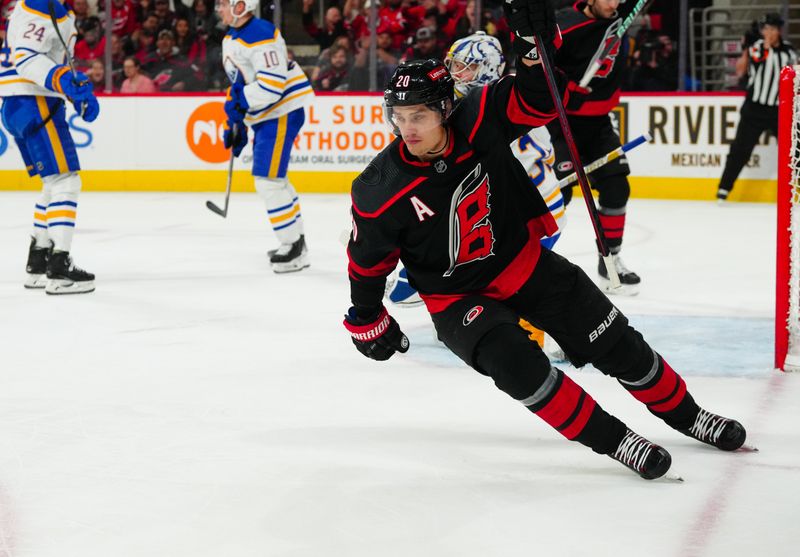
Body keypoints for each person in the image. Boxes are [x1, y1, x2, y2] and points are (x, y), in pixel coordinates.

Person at [342, 0, 746, 480]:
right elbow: (366, 264)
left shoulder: (478, 115)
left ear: (446, 108)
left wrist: (533, 47)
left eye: (420, 116)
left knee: (618, 344)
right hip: (456, 298)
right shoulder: (379, 188)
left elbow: (538, 99)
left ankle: (690, 416)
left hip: (524, 263)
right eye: (399, 117)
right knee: (520, 369)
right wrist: (367, 318)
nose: (407, 129)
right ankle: (619, 442)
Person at [385, 31, 567, 350]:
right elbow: (547, 155)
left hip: (526, 215)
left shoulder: (478, 113)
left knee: (514, 281)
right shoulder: (508, 99)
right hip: (536, 206)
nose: (454, 72)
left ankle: (544, 338)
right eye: (452, 64)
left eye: (463, 67)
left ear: (486, 68)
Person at [1, 0, 100, 294]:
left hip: (16, 101)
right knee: (66, 181)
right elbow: (27, 56)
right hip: (34, 99)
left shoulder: (43, 5)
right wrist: (63, 80)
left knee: (51, 183)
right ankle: (59, 268)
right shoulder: (43, 4)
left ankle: (38, 260)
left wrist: (71, 89)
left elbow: (42, 55)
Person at [550, 0, 641, 295]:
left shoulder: (618, 18)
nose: (614, 3)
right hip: (559, 124)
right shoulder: (565, 24)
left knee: (617, 186)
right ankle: (528, 267)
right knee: (556, 197)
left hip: (599, 124)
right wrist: (564, 91)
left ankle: (611, 261)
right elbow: (534, 69)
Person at [217, 0, 314, 272]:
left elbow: (272, 86)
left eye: (223, 4)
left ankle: (293, 246)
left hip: (280, 112)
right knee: (275, 180)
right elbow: (239, 84)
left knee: (268, 180)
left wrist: (241, 103)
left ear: (240, 6)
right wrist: (235, 122)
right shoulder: (232, 36)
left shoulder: (260, 34)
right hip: (267, 116)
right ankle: (297, 242)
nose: (219, 9)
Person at [716, 13, 798, 202]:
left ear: (779, 30)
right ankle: (724, 188)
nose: (768, 32)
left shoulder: (790, 52)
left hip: (780, 110)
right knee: (740, 149)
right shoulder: (758, 47)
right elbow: (744, 69)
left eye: (772, 28)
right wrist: (764, 45)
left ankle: (796, 188)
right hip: (755, 108)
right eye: (765, 28)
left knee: (793, 150)